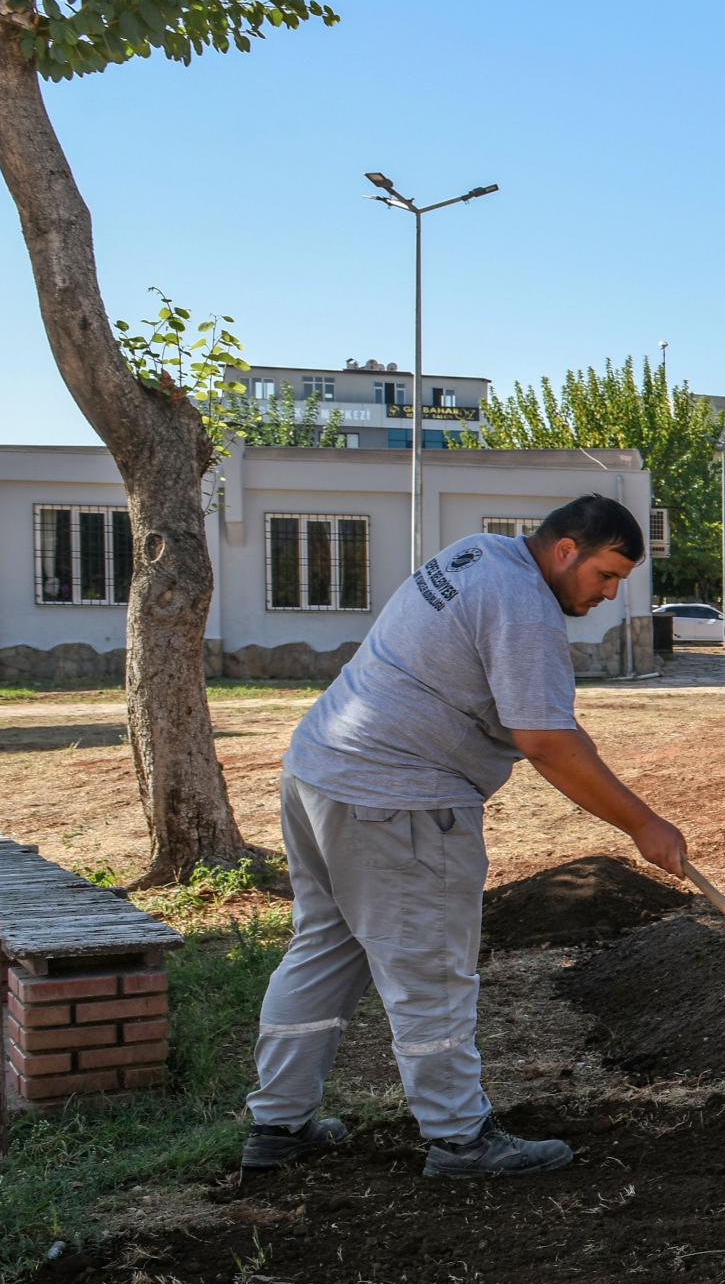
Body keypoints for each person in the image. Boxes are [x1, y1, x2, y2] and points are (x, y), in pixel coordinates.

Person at [244, 495, 690, 1175]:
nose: (610, 594)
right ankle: (460, 1139)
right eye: (607, 575)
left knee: (325, 947)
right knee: (432, 973)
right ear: (566, 550)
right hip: (399, 801)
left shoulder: (477, 556)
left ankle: (277, 1125)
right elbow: (544, 741)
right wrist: (643, 824)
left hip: (321, 771)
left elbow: (543, 723)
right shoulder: (525, 604)